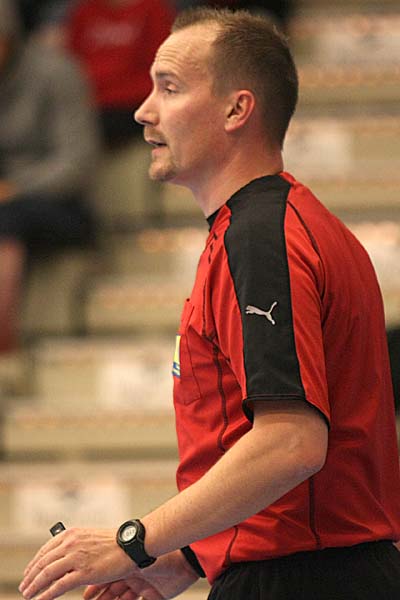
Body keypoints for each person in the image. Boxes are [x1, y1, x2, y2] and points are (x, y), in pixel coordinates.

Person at [19, 7, 400, 600]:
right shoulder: (279, 224)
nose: (144, 110)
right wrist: (189, 556)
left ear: (236, 110)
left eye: (169, 88)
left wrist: (133, 541)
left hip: (304, 580)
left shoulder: (261, 237)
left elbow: (292, 442)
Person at [0, 0, 98, 355]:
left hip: (62, 204)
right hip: (9, 201)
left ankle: (3, 339)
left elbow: (77, 163)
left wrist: (16, 187)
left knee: (6, 219)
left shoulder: (57, 72)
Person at [66, 0, 176, 149]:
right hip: (88, 106)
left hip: (133, 108)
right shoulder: (85, 10)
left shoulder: (153, 9)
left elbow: (162, 66)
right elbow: (72, 62)